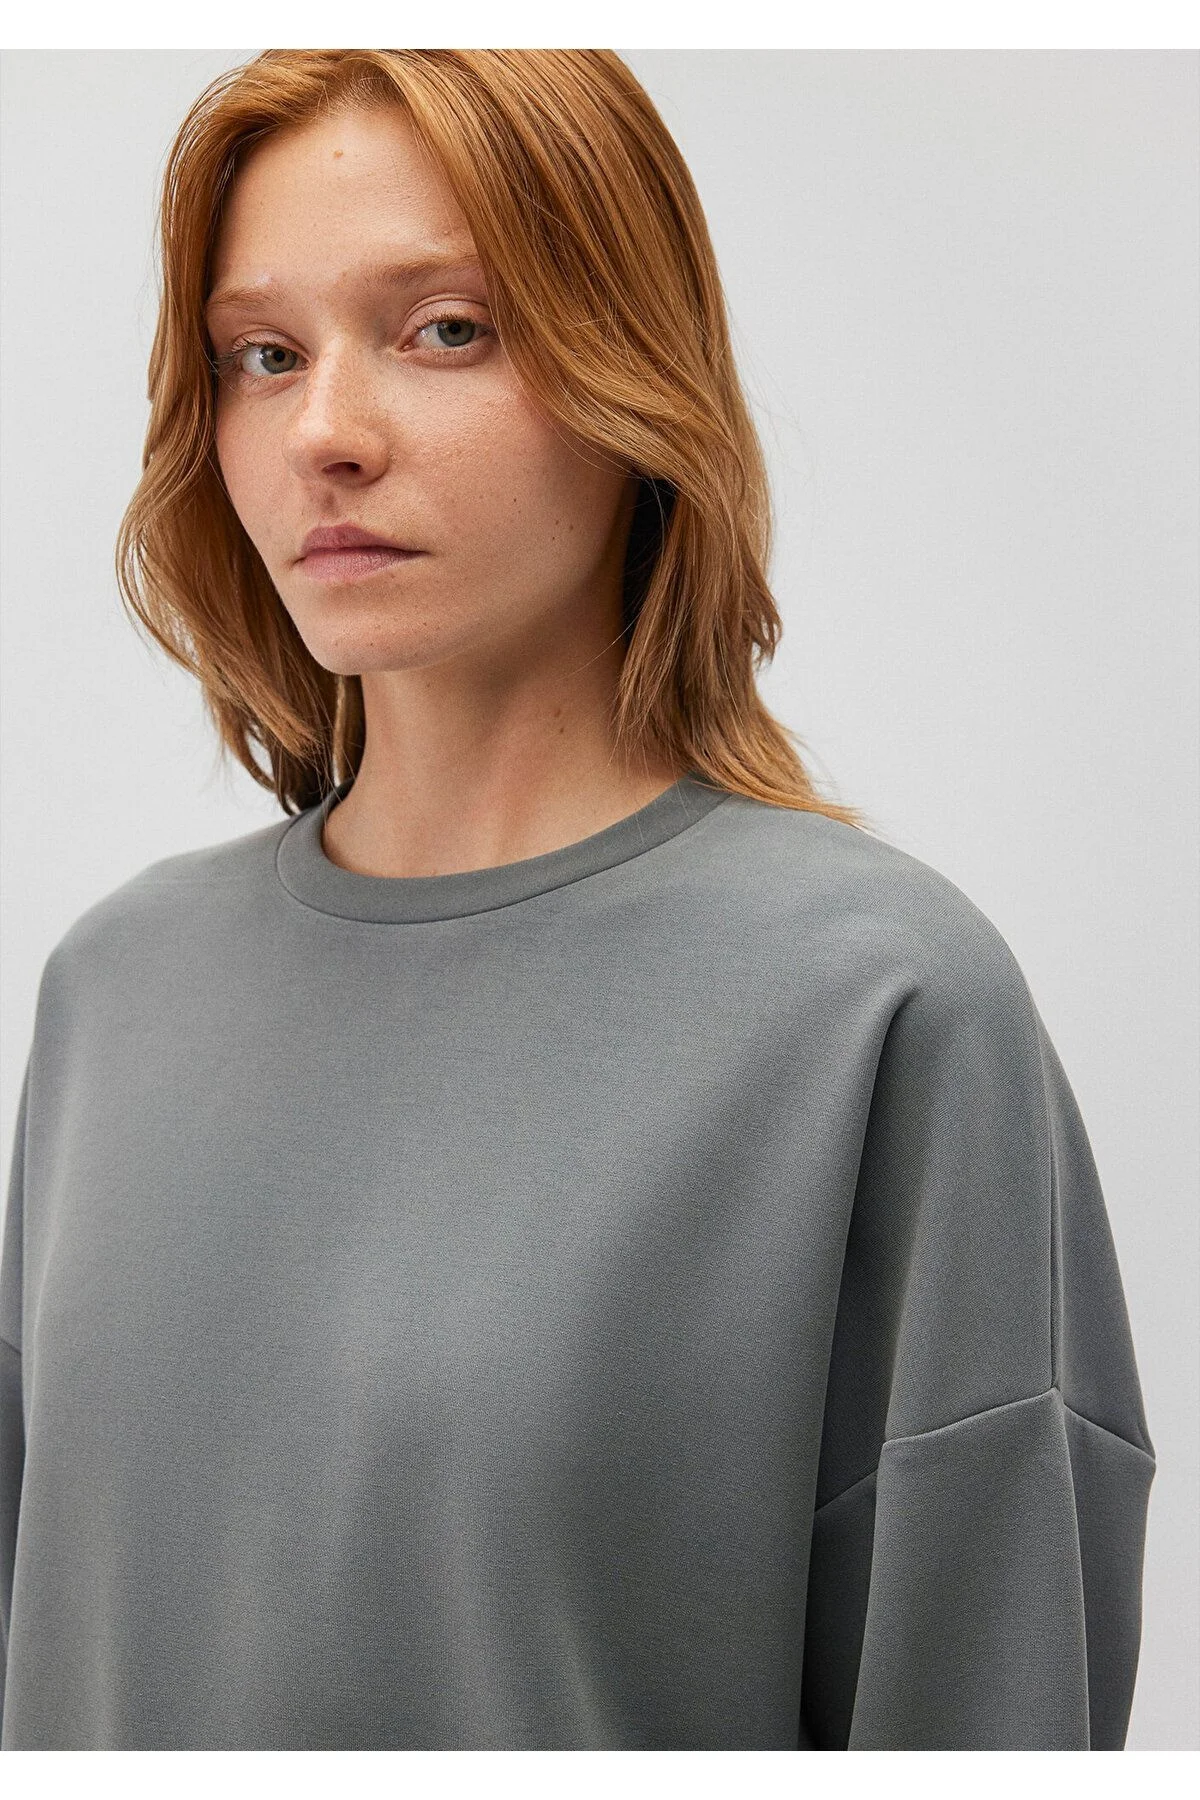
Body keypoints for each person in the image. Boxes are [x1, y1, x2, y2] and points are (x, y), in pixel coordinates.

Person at [0, 49, 1155, 1752]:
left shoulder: (874, 1008)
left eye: (444, 329)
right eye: (264, 355)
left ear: (633, 370)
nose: (325, 434)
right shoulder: (118, 991)